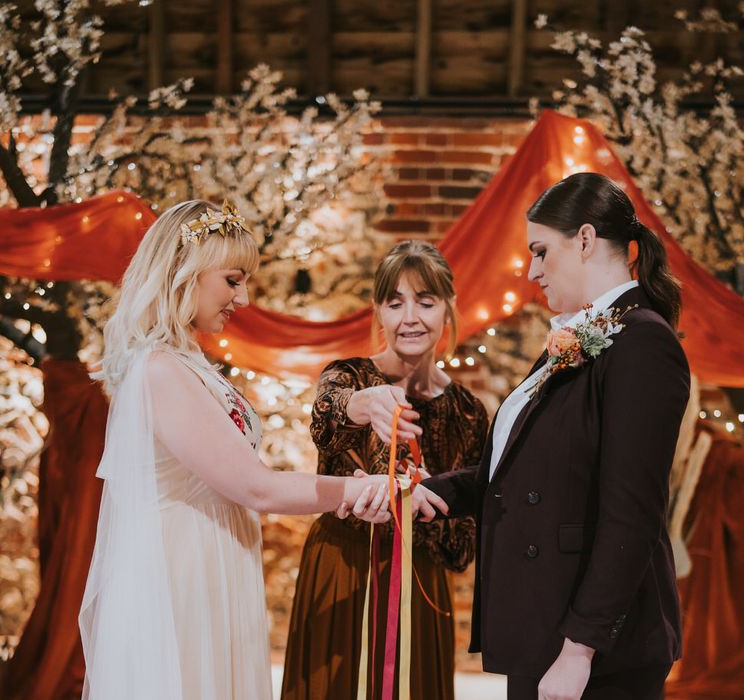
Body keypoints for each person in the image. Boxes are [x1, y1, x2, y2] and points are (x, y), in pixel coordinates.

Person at [78, 200, 423, 700]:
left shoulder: (186, 361)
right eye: (232, 280)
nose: (241, 299)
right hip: (180, 575)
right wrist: (361, 487)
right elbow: (256, 486)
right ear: (184, 274)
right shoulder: (160, 370)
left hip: (214, 558)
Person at [416, 173, 690, 699]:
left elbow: (632, 512)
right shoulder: (580, 334)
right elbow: (530, 472)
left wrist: (579, 651)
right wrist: (433, 492)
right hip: (545, 621)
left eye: (541, 252)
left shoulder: (642, 344)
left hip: (597, 650)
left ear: (585, 240)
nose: (532, 270)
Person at [281, 240, 489, 700]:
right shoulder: (349, 377)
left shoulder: (470, 412)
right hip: (342, 568)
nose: (409, 317)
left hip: (421, 584)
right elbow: (327, 414)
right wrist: (363, 404)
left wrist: (427, 493)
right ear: (378, 312)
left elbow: (461, 551)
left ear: (448, 310)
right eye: (394, 303)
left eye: (425, 302)